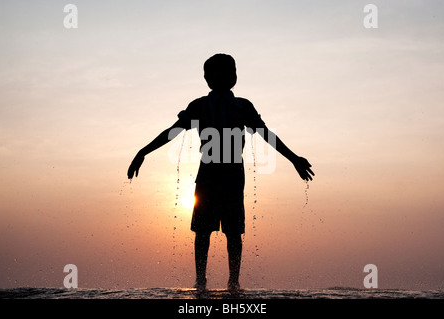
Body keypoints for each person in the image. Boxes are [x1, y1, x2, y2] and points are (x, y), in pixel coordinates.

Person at [127, 53, 314, 293]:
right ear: (211, 78)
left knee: (209, 232)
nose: (231, 75)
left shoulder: (221, 106)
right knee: (227, 233)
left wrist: (143, 151)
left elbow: (172, 132)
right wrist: (294, 159)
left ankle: (206, 282)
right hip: (227, 176)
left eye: (232, 71)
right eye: (228, 71)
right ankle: (227, 282)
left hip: (214, 176)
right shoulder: (222, 106)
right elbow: (267, 135)